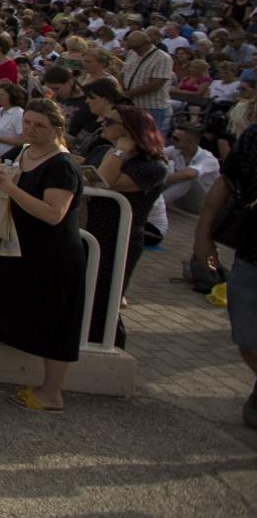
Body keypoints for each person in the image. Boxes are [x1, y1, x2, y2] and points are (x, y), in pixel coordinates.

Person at [0, 99, 86, 412]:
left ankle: (52, 392)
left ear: (56, 130)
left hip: (52, 251)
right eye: (27, 123)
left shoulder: (62, 165)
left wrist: (9, 187)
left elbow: (53, 213)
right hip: (17, 244)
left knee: (56, 320)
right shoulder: (23, 152)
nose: (30, 129)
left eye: (38, 125)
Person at [83, 105, 168, 347]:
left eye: (109, 122)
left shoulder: (153, 166)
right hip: (90, 231)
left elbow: (105, 181)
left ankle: (107, 344)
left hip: (118, 238)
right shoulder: (102, 150)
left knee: (104, 298)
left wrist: (120, 151)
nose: (102, 123)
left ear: (130, 131)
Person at [191, 124, 257, 429]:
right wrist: (203, 236)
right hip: (253, 255)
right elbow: (226, 183)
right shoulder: (255, 135)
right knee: (247, 335)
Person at [120, 29, 174, 136]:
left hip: (152, 107)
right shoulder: (132, 53)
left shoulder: (162, 58)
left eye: (137, 47)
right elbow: (123, 72)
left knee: (149, 138)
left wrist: (127, 94)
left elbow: (156, 84)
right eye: (132, 47)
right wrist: (121, 89)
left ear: (147, 43)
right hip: (133, 104)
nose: (134, 50)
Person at [161, 124, 219, 213]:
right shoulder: (176, 150)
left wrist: (159, 180)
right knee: (162, 166)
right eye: (171, 136)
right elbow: (155, 154)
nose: (171, 140)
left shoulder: (209, 159)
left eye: (176, 138)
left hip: (202, 204)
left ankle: (155, 204)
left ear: (189, 142)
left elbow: (190, 174)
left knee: (188, 179)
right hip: (183, 200)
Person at [0, 80, 28, 161]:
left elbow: (23, 141)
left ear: (11, 96)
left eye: (2, 94)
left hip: (10, 159)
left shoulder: (19, 114)